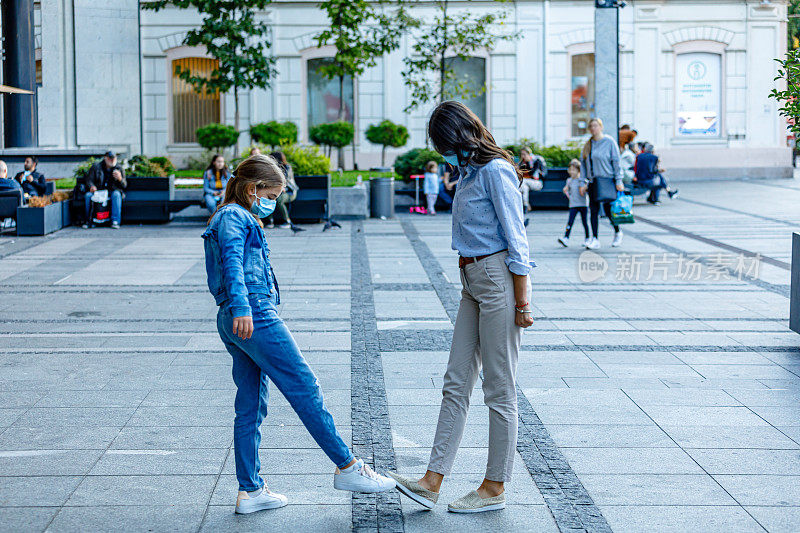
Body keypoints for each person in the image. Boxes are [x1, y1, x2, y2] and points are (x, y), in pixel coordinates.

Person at [202, 154, 395, 515]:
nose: (272, 203)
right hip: (252, 314)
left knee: (250, 405)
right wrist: (244, 307)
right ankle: (349, 467)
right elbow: (230, 261)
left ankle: (251, 491)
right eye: (270, 194)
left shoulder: (230, 214)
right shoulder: (234, 215)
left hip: (236, 316)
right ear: (250, 189)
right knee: (304, 387)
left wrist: (238, 309)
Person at [388, 101, 534, 514]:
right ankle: (432, 480)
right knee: (456, 380)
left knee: (499, 388)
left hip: (498, 281)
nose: (442, 154)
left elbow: (517, 239)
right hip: (472, 280)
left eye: (444, 145)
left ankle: (494, 486)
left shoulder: (496, 171)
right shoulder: (470, 173)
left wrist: (523, 301)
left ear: (462, 137)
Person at [581, 118, 624, 249]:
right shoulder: (588, 144)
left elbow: (616, 162)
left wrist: (619, 180)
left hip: (607, 180)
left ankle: (617, 232)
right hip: (593, 182)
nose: (593, 128)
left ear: (601, 127)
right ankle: (595, 239)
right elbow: (583, 165)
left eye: (595, 126)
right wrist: (583, 182)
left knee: (608, 210)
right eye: (591, 126)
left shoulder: (609, 142)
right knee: (593, 210)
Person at [83, 151, 126, 229]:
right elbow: (89, 180)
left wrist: (120, 179)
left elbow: (124, 185)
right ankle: (88, 221)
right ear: (105, 158)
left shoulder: (119, 168)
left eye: (114, 158)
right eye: (110, 158)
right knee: (88, 196)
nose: (112, 160)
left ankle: (115, 221)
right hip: (99, 191)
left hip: (112, 191)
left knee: (116, 195)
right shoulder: (96, 167)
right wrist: (92, 186)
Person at [558, 159, 589, 247]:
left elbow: (587, 188)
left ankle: (587, 238)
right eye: (570, 169)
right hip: (573, 205)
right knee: (570, 222)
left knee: (585, 222)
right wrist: (565, 189)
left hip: (583, 204)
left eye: (573, 170)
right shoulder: (569, 180)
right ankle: (566, 238)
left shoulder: (582, 180)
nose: (571, 172)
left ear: (579, 170)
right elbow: (567, 188)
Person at [267, 151, 299, 229]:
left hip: (290, 192)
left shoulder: (287, 167)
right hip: (276, 191)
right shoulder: (271, 168)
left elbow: (286, 180)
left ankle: (287, 221)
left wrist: (281, 187)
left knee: (279, 200)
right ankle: (270, 221)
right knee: (268, 199)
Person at [517, 147, 546, 212]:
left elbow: (532, 173)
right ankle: (526, 205)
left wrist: (528, 163)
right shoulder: (522, 163)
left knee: (522, 182)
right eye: (522, 154)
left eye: (524, 154)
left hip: (537, 183)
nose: (523, 156)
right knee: (524, 187)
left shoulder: (536, 161)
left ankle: (525, 205)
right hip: (526, 183)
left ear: (529, 154)